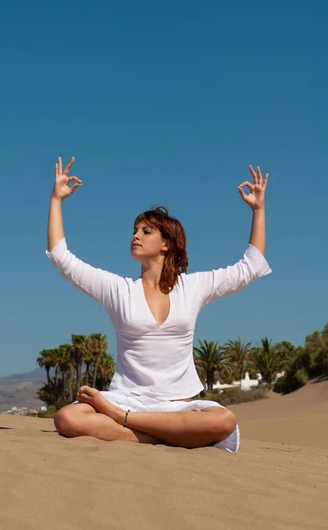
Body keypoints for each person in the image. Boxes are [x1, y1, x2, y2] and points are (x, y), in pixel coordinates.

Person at [46, 156, 271, 453]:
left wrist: (258, 209)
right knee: (67, 418)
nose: (135, 236)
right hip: (127, 398)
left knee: (224, 420)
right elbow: (62, 257)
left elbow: (251, 266)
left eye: (145, 231)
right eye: (134, 231)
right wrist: (56, 199)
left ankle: (125, 423)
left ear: (166, 243)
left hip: (176, 405)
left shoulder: (192, 288)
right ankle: (160, 434)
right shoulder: (119, 290)